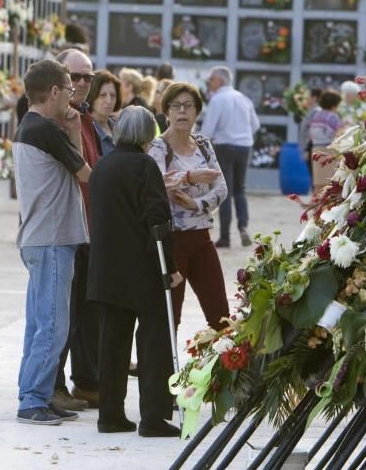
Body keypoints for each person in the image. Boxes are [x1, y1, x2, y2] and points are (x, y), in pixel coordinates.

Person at [88, 106, 182, 438]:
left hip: (105, 268)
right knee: (153, 341)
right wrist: (169, 267)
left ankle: (110, 415)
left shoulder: (102, 165)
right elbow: (158, 219)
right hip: (141, 268)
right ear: (147, 134)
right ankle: (154, 417)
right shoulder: (144, 165)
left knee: (112, 344)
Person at [13, 59, 92, 426]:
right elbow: (87, 174)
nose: (73, 98)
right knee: (54, 323)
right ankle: (32, 400)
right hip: (52, 236)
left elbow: (76, 166)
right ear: (55, 90)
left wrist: (74, 128)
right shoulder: (45, 129)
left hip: (41, 237)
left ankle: (37, 395)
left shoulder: (33, 126)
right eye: (70, 89)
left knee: (39, 322)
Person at [148, 83, 230, 332]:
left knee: (221, 315)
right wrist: (191, 176)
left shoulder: (203, 144)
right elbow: (159, 185)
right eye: (176, 106)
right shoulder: (158, 147)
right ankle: (161, 370)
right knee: (170, 316)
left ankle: (224, 369)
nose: (182, 111)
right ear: (166, 112)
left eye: (188, 106)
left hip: (202, 239)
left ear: (197, 112)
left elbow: (221, 188)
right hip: (172, 242)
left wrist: (196, 204)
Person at [50, 48, 102, 412]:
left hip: (89, 229)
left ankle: (85, 381)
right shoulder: (54, 120)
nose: (82, 83)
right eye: (76, 76)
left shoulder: (85, 119)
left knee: (86, 312)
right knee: (60, 314)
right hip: (64, 230)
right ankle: (51, 385)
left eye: (88, 77)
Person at [201, 66, 260, 248]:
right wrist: (242, 135)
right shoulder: (243, 98)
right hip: (244, 146)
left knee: (224, 189)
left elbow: (208, 130)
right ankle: (243, 227)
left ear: (219, 80)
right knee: (240, 189)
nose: (209, 83)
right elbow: (255, 125)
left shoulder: (218, 99)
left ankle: (225, 236)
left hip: (224, 146)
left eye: (210, 80)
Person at [86, 70, 122, 157]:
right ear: (92, 96)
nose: (109, 101)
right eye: (102, 95)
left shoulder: (121, 129)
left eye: (113, 95)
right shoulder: (84, 129)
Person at [298, 87, 323, 162]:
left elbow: (313, 133)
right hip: (309, 150)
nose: (305, 99)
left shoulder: (317, 112)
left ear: (314, 98)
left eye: (307, 97)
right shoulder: (311, 111)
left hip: (311, 150)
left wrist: (307, 150)